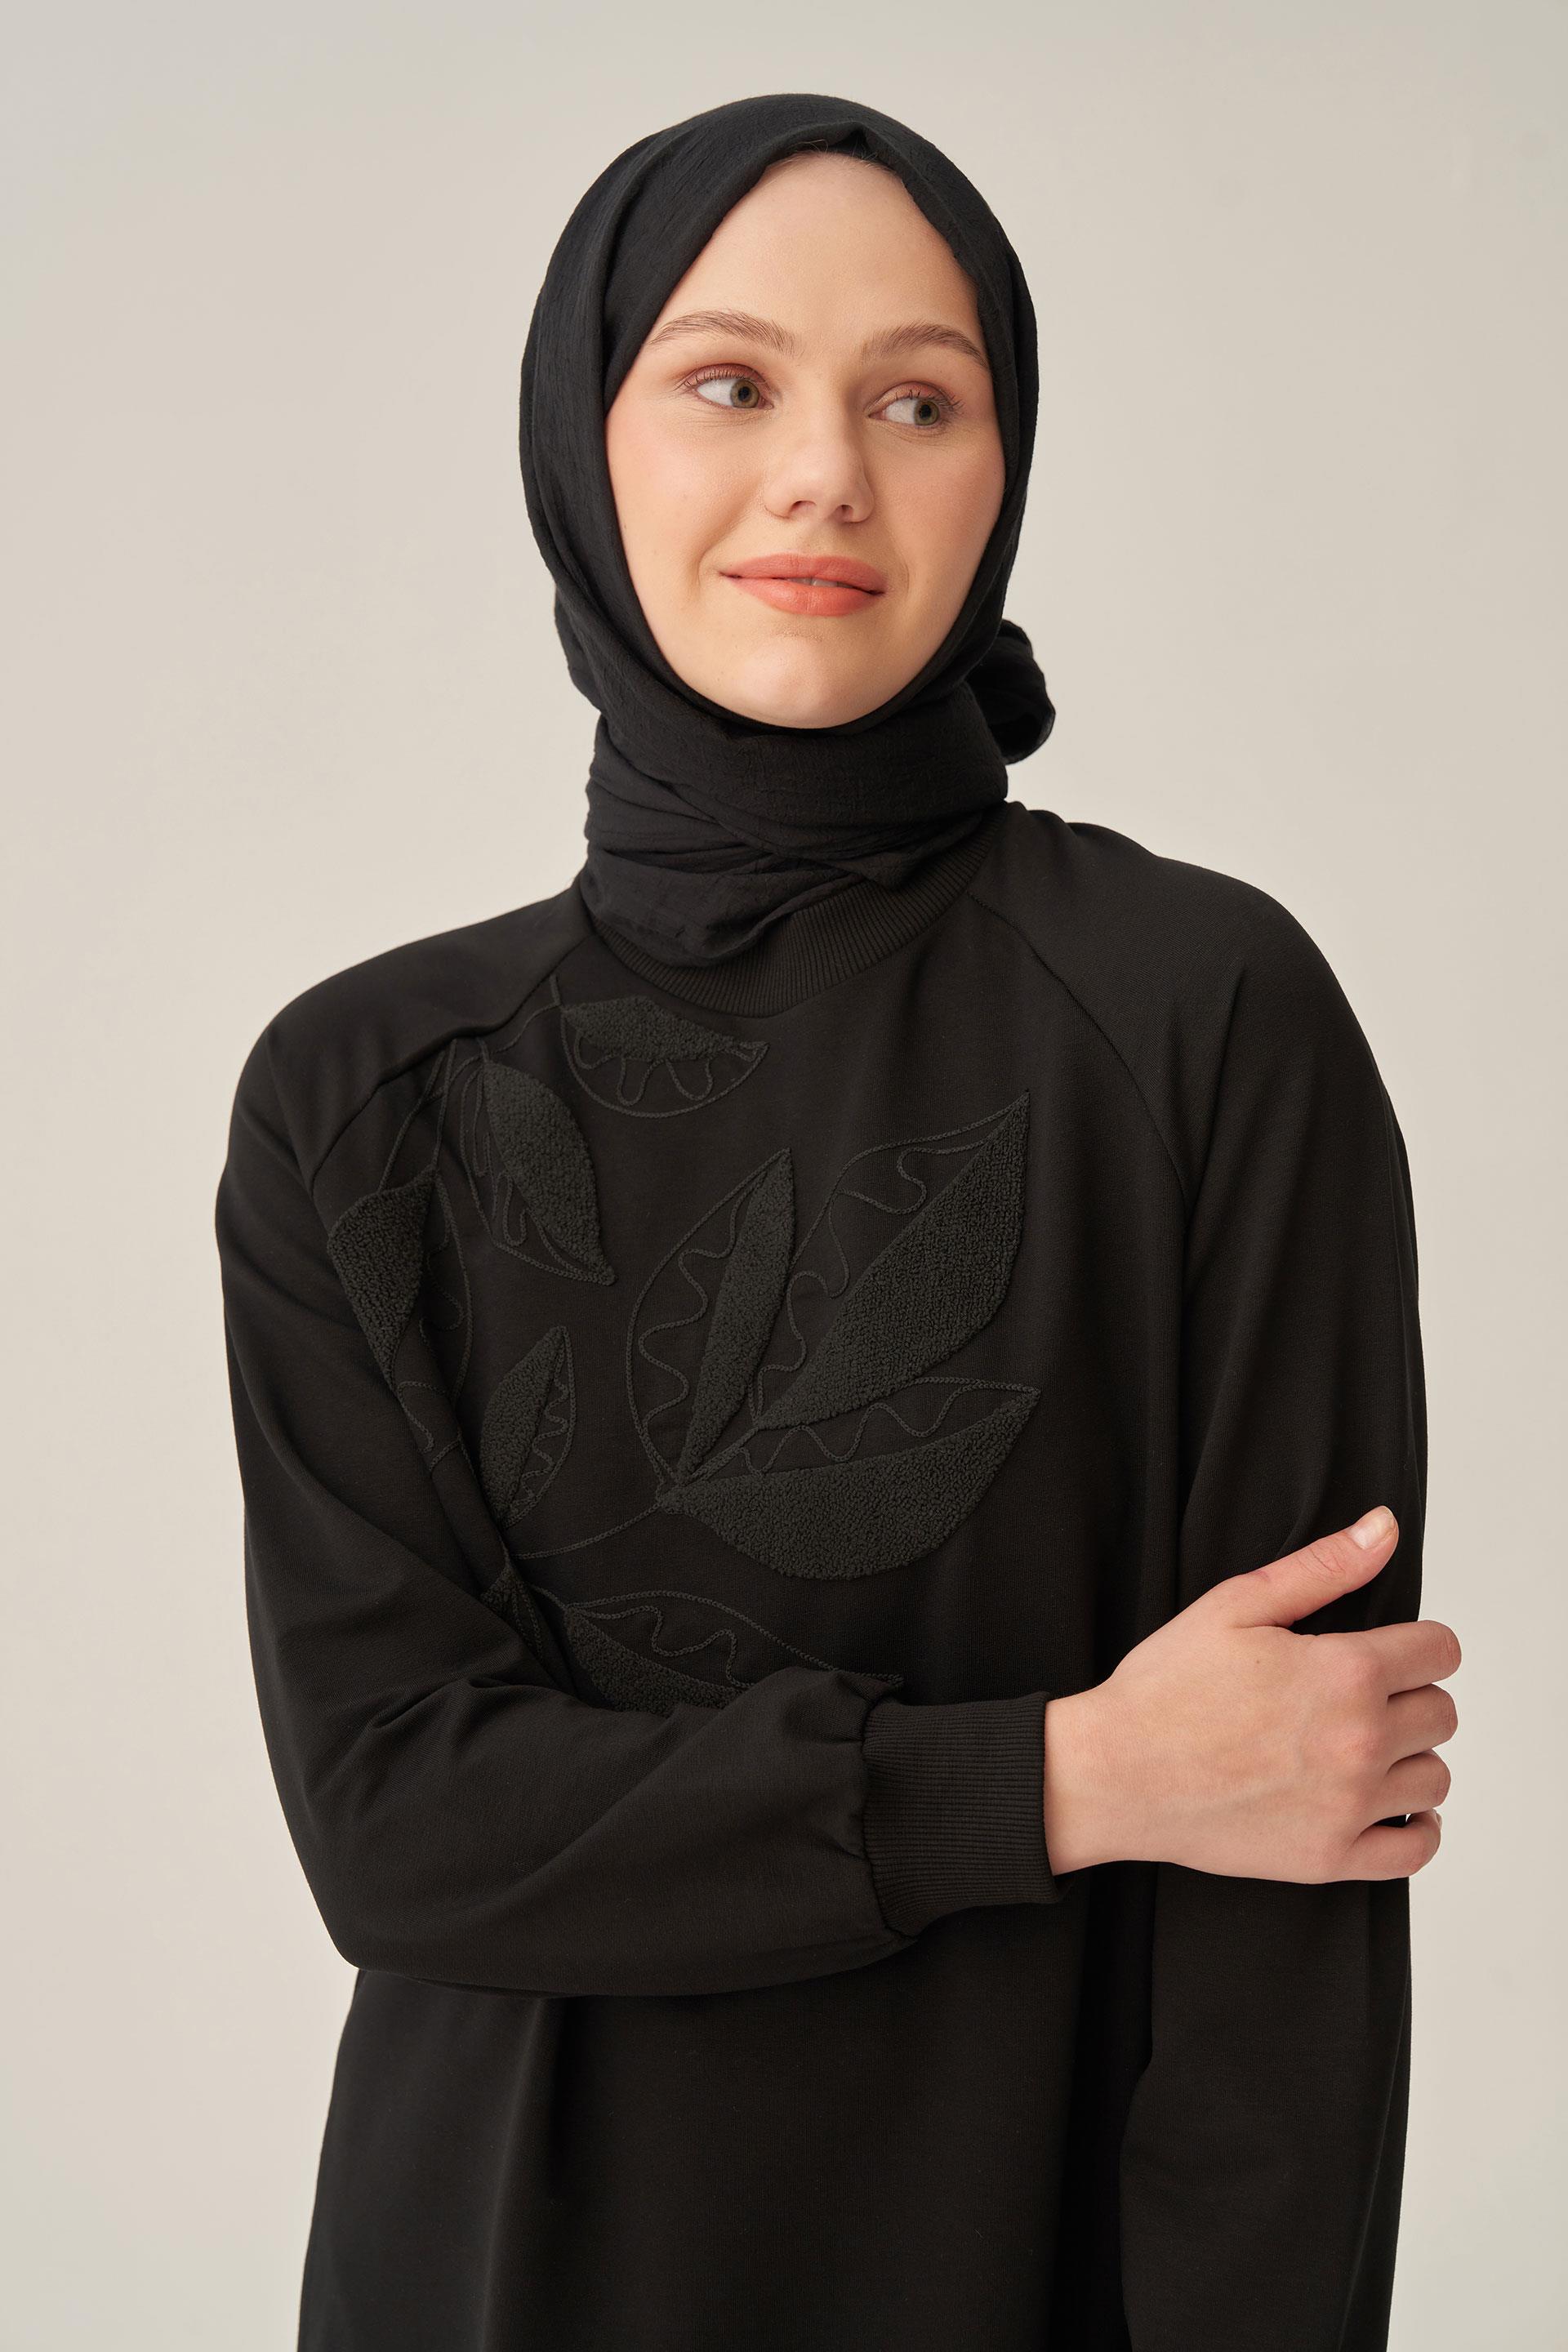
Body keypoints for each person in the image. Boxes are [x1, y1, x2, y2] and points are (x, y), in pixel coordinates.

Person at [214, 91, 1459, 2352]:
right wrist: (1065, 1779)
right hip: (485, 2273)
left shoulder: (1199, 1015)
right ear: (581, 442)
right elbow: (402, 1827)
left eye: (918, 399)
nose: (823, 475)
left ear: (1005, 467)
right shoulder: (368, 1097)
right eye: (727, 382)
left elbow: (1292, 1888)